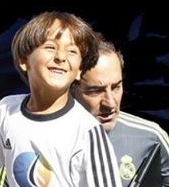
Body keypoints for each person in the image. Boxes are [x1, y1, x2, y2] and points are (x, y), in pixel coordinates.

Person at [0, 11, 121, 186]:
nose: (61, 57)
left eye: (72, 51)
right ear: (24, 60)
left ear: (80, 69)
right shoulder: (7, 109)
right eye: (50, 47)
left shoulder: (87, 131)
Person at [72, 38, 169, 186]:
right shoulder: (42, 138)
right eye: (95, 91)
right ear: (70, 89)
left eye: (116, 87)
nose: (110, 103)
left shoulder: (151, 137)